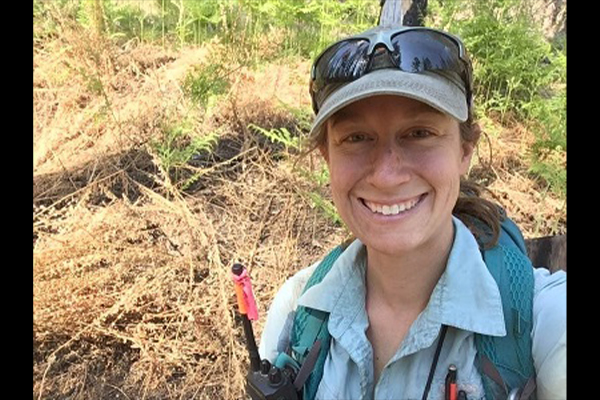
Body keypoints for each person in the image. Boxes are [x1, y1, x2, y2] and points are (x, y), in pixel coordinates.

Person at [258, 23, 566, 400]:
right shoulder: (298, 309)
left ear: (464, 151)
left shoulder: (543, 321)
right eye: (356, 138)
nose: (387, 176)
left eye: (419, 133)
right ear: (328, 157)